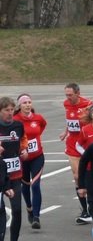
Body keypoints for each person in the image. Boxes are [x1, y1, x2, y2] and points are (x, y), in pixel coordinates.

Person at [61, 84, 93, 224]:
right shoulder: (66, 104)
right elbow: (69, 120)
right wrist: (65, 131)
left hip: (86, 143)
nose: (68, 97)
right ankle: (84, 209)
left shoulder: (88, 105)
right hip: (72, 144)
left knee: (90, 175)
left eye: (70, 94)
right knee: (77, 176)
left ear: (78, 93)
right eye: (66, 95)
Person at [13, 94, 46, 231]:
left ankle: (36, 217)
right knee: (25, 186)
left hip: (37, 156)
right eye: (24, 102)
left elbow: (42, 127)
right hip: (22, 158)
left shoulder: (38, 118)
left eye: (29, 102)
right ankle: (29, 208)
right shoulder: (15, 120)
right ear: (19, 105)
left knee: (35, 185)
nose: (27, 105)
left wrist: (35, 138)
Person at [0, 97, 26, 241]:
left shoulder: (18, 125)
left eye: (11, 110)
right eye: (6, 110)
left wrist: (24, 150)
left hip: (15, 173)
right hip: (0, 176)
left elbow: (23, 140)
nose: (10, 113)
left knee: (16, 209)